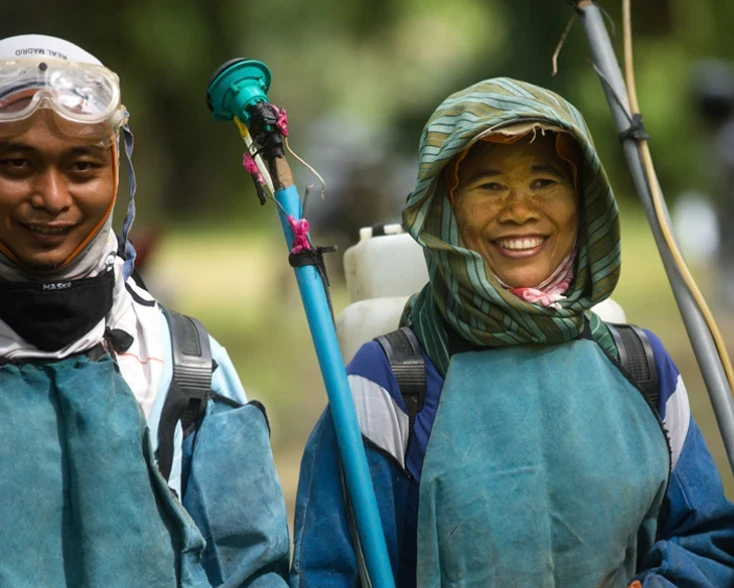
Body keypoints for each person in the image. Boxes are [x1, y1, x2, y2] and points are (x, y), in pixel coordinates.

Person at [290, 78, 734, 587]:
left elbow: (710, 543)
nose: (520, 209)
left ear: (583, 201)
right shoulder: (388, 384)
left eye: (544, 182)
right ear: (445, 210)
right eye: (489, 186)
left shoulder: (642, 368)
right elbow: (328, 571)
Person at [0, 34, 289, 587]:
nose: (53, 197)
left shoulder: (183, 363)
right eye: (17, 164)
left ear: (116, 172)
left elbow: (252, 568)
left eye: (82, 167)